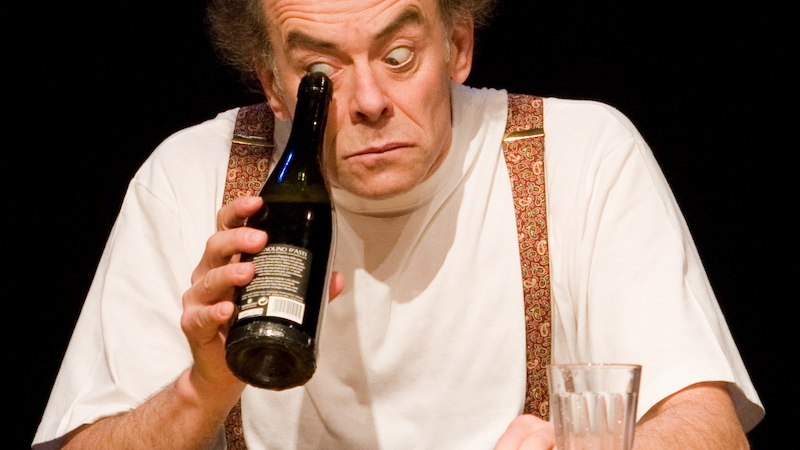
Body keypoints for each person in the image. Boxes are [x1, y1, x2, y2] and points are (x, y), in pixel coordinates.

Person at [33, 0, 764, 448]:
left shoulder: (583, 153)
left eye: (399, 54)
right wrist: (204, 386)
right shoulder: (186, 177)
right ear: (271, 83)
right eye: (322, 70)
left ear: (458, 45)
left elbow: (710, 429)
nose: (370, 99)